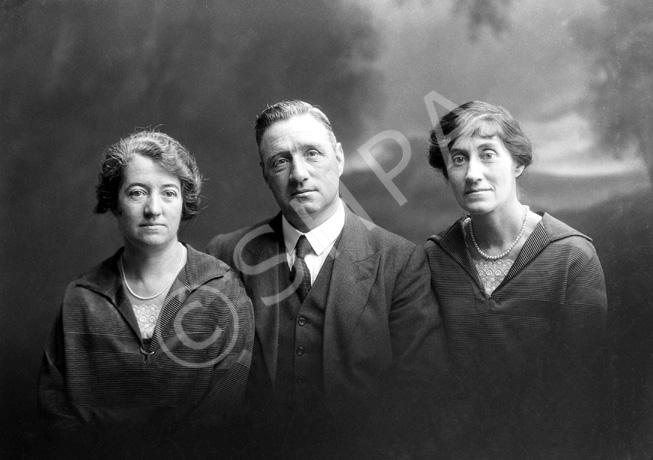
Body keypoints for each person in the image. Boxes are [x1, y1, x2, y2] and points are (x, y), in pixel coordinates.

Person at [207, 99, 448, 458]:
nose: (299, 174)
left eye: (312, 154)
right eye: (280, 161)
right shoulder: (227, 255)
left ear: (339, 157)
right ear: (265, 174)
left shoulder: (401, 262)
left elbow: (421, 396)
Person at [38, 130, 254, 458]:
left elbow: (225, 416)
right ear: (115, 203)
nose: (153, 208)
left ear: (184, 203)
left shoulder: (223, 291)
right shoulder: (82, 299)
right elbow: (57, 415)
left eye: (168, 193)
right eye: (137, 193)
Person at [425, 101, 608, 459]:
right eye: (459, 159)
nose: (473, 173)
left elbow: (585, 391)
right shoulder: (435, 258)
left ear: (518, 163)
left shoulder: (572, 257)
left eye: (488, 154)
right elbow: (428, 385)